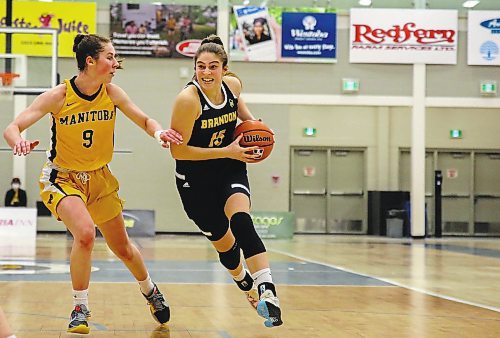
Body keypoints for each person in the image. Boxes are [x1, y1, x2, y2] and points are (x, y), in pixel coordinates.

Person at [3, 34, 183, 334]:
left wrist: (159, 133)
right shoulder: (58, 96)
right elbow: (12, 127)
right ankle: (80, 307)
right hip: (63, 178)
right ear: (90, 61)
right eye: (110, 57)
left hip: (100, 178)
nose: (115, 63)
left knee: (123, 248)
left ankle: (150, 290)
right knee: (85, 234)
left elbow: (146, 120)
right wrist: (18, 142)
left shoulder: (112, 93)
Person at [167, 34, 283, 328]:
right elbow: (178, 150)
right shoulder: (187, 101)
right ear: (194, 67)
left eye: (213, 66)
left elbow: (243, 116)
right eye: (201, 66)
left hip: (230, 167)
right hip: (194, 179)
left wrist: (260, 131)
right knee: (226, 247)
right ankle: (245, 283)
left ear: (225, 69)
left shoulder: (233, 86)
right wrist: (227, 149)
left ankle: (268, 291)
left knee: (241, 220)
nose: (206, 72)